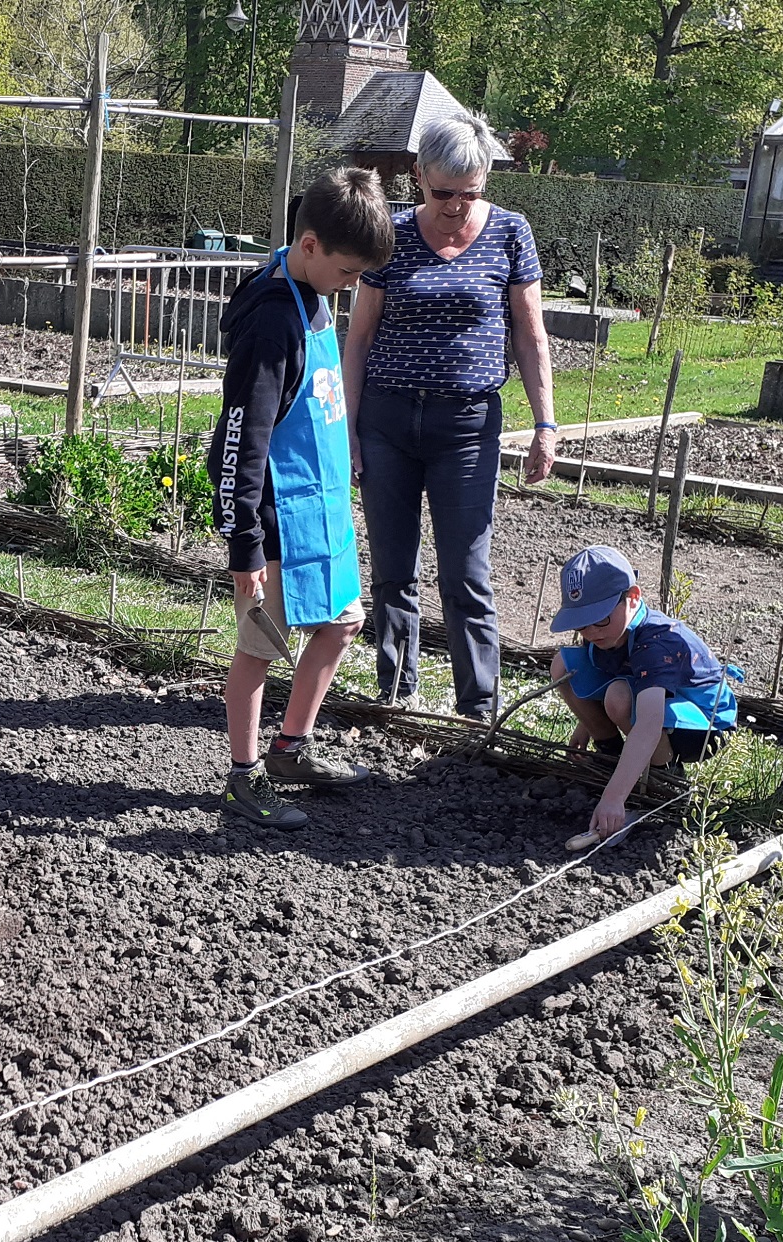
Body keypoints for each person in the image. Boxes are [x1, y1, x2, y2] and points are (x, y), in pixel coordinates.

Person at [343, 108, 559, 716]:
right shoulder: (390, 236)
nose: (456, 205)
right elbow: (357, 340)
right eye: (443, 192)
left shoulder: (510, 235)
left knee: (466, 569)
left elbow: (530, 334)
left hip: (466, 425)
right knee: (392, 564)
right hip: (387, 419)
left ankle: (478, 706)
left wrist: (545, 423)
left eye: (470, 192)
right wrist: (351, 431)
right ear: (419, 176)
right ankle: (397, 690)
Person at [212, 166, 396, 832]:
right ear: (311, 246)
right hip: (275, 519)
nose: (352, 288)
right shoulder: (269, 326)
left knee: (344, 620)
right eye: (348, 273)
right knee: (260, 646)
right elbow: (242, 440)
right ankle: (244, 778)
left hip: (320, 509)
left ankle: (291, 749)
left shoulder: (313, 292)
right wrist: (245, 546)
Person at [550, 546, 739, 839]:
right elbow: (609, 671)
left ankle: (665, 779)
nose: (591, 632)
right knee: (563, 665)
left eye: (599, 618)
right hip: (653, 701)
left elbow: (650, 722)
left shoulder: (657, 643)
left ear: (633, 597)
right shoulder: (608, 631)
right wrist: (586, 724)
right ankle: (611, 758)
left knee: (619, 697)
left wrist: (614, 799)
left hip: (702, 724)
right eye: (581, 624)